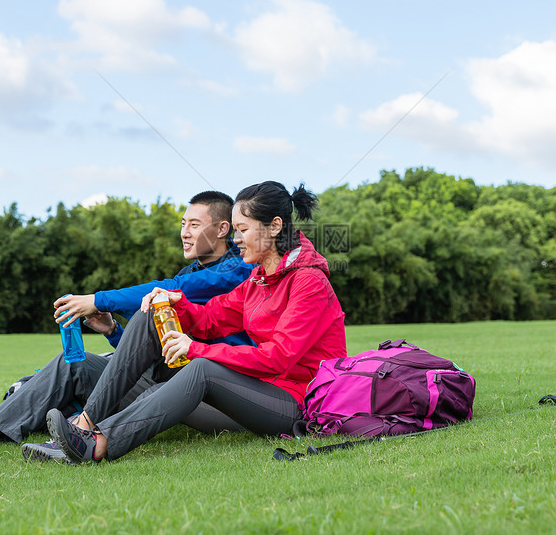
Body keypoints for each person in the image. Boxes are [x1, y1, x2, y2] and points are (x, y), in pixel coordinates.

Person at [0, 191, 255, 458]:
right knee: (72, 363)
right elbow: (145, 353)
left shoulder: (237, 270)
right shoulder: (189, 272)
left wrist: (97, 299)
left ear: (223, 228)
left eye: (194, 224)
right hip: (164, 380)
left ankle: (78, 431)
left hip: (207, 393)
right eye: (183, 223)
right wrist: (112, 330)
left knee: (110, 364)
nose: (185, 232)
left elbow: (174, 291)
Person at [44, 181, 347, 463]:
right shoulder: (259, 279)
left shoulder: (309, 283)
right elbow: (211, 319)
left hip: (298, 402)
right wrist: (177, 303)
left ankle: (97, 445)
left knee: (202, 369)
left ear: (274, 227)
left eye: (243, 229)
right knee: (152, 312)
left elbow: (277, 357)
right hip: (258, 391)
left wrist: (195, 349)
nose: (236, 239)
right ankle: (85, 424)